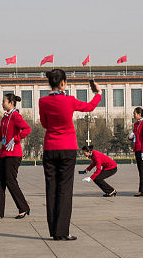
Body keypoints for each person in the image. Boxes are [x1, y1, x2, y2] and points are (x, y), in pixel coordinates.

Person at [39, 70, 101, 240]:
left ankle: (53, 231)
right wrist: (98, 93)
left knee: (51, 189)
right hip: (67, 148)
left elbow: (45, 124)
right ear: (63, 83)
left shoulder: (42, 101)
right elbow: (90, 107)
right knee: (65, 189)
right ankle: (63, 231)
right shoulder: (69, 101)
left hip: (50, 148)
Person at [0, 93, 32, 219]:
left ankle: (23, 208)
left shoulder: (15, 116)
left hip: (14, 154)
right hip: (5, 153)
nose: (2, 103)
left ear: (11, 103)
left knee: (11, 181)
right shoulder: (5, 118)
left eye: (3, 101)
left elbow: (27, 129)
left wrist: (16, 139)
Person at [129, 107, 143, 196]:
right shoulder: (136, 124)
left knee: (142, 170)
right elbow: (135, 137)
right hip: (137, 148)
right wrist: (130, 137)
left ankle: (142, 190)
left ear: (139, 114)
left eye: (134, 113)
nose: (133, 115)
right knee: (142, 170)